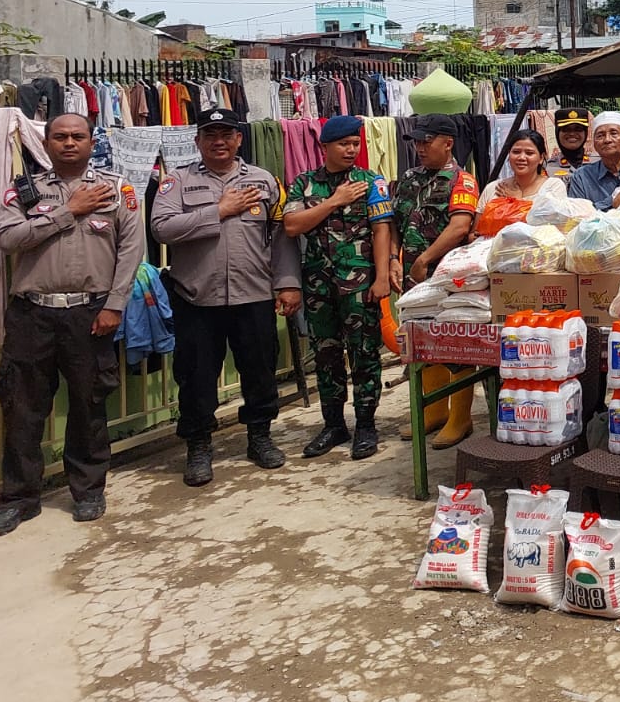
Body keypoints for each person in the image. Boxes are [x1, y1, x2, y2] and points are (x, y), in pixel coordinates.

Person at [0, 113, 144, 536]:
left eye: (78, 136)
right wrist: (67, 211)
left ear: (92, 142)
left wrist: (115, 306)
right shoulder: (25, 190)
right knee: (22, 407)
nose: (69, 143)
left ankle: (88, 490)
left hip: (89, 313)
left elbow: (131, 251)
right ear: (48, 143)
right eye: (60, 137)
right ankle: (19, 499)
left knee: (88, 403)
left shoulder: (117, 189)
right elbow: (7, 239)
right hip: (32, 314)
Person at [150, 108, 303, 488]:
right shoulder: (177, 181)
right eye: (210, 134)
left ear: (238, 139)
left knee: (259, 369)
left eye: (226, 134)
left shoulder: (263, 180)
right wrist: (218, 211)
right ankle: (199, 445)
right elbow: (162, 228)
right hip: (196, 297)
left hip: (253, 294)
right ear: (197, 140)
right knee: (196, 376)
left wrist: (288, 282)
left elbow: (281, 235)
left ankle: (259, 437)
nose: (219, 141)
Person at [283, 115, 394, 460]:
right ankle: (333, 424)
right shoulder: (305, 184)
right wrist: (334, 200)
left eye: (355, 144)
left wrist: (380, 277)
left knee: (364, 355)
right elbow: (291, 225)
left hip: (360, 284)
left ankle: (365, 425)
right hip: (319, 285)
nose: (351, 150)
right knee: (326, 355)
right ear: (325, 147)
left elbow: (381, 230)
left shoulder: (371, 181)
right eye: (343, 144)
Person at [390, 114, 480, 449]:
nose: (420, 147)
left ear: (448, 142)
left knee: (456, 345)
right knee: (420, 343)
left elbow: (459, 227)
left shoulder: (462, 180)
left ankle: (461, 417)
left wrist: (426, 259)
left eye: (427, 141)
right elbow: (396, 222)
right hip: (414, 278)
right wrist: (392, 259)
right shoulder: (409, 178)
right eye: (417, 141)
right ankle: (434, 412)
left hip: (450, 279)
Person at [566, 112, 620, 210]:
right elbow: (577, 214)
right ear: (594, 144)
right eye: (600, 136)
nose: (607, 140)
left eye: (614, 133)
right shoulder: (582, 177)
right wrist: (617, 199)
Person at [479, 130, 567, 210]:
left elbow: (553, 225)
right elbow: (477, 227)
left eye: (529, 153)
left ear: (541, 158)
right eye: (516, 152)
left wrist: (517, 201)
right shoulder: (494, 188)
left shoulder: (553, 187)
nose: (521, 157)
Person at [548, 107, 592, 178]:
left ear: (585, 133)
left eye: (578, 129)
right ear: (557, 133)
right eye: (566, 129)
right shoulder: (548, 167)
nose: (572, 133)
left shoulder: (599, 163)